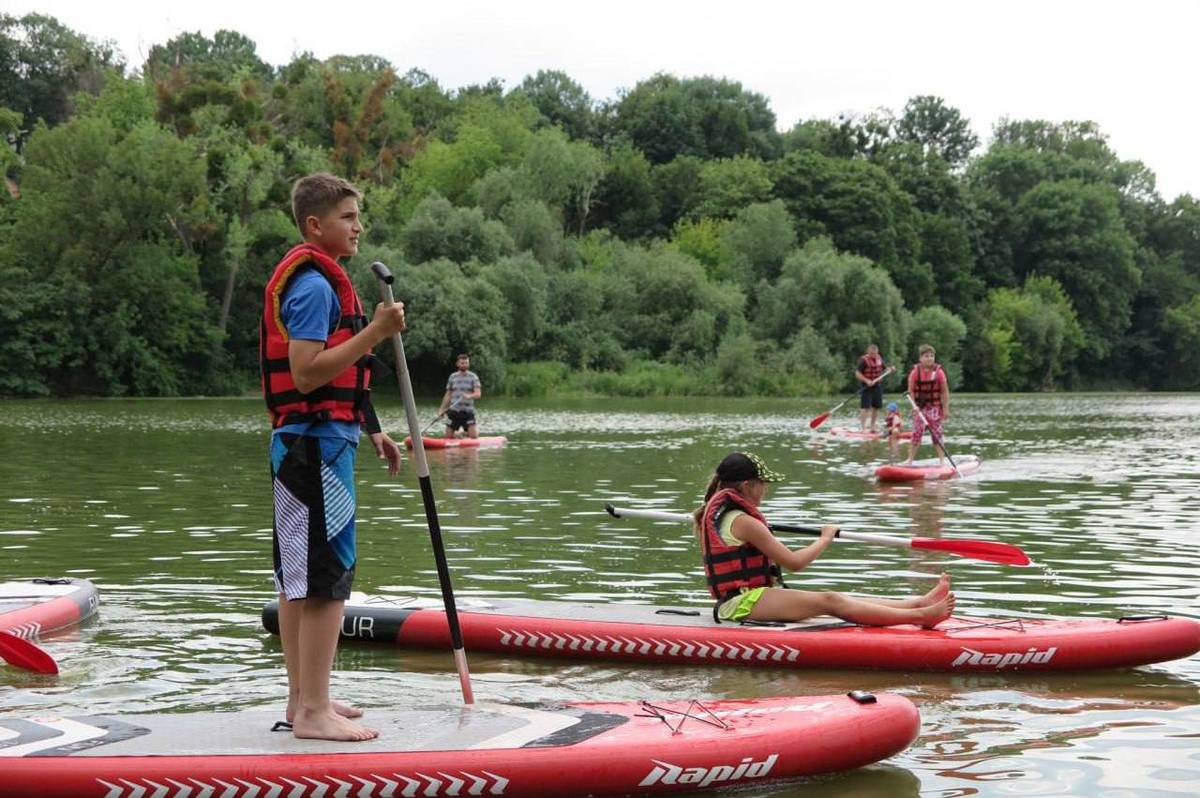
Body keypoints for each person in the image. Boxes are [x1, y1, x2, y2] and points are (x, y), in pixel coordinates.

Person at [260, 172, 407, 742]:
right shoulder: (317, 285)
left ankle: (303, 700)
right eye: (348, 217)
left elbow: (334, 377)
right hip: (315, 446)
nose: (358, 226)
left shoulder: (318, 280)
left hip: (308, 439)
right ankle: (315, 712)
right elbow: (306, 371)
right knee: (326, 580)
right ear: (315, 225)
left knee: (300, 578)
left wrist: (371, 428)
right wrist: (373, 331)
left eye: (358, 216)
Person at [691, 452, 955, 628]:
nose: (766, 489)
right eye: (763, 483)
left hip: (749, 598)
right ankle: (921, 617)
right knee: (829, 601)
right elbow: (795, 563)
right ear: (748, 486)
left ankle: (917, 603)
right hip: (739, 605)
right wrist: (825, 538)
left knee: (836, 598)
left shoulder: (728, 515)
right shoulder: (743, 521)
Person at [905, 344, 950, 466]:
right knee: (916, 434)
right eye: (926, 356)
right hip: (919, 409)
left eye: (932, 356)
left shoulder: (939, 372)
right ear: (920, 358)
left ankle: (942, 460)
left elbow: (945, 392)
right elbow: (911, 391)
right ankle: (909, 460)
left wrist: (946, 410)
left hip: (934, 409)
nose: (930, 358)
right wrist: (914, 407)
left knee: (937, 434)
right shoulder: (915, 373)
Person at [438, 353, 482, 439]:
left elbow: (478, 394)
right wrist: (441, 410)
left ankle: (464, 433)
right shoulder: (452, 377)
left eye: (466, 363)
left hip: (467, 412)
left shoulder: (473, 377)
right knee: (448, 437)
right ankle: (458, 434)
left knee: (473, 436)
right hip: (454, 411)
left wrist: (469, 396)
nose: (464, 365)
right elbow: (448, 394)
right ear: (457, 364)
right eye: (462, 363)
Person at [854, 344, 893, 432]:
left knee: (876, 407)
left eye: (875, 353)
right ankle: (863, 427)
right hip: (866, 386)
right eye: (872, 354)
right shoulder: (864, 361)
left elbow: (885, 369)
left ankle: (872, 426)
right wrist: (867, 380)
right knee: (865, 407)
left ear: (877, 352)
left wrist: (890, 370)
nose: (874, 355)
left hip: (877, 385)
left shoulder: (879, 358)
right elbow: (857, 374)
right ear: (868, 352)